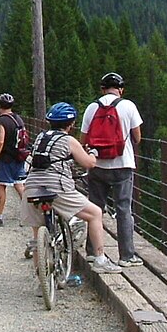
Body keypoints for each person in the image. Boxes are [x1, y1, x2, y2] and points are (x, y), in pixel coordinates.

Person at [19, 102, 123, 273]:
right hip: (57, 187)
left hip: (31, 187)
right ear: (71, 123)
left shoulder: (41, 137)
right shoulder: (68, 140)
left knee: (38, 236)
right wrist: (93, 153)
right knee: (95, 213)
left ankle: (41, 277)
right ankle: (100, 259)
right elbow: (88, 163)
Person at [81, 72, 144, 267]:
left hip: (97, 165)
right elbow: (137, 138)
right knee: (123, 209)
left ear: (102, 89)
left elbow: (83, 139)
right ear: (121, 89)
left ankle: (92, 252)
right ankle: (126, 256)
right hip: (122, 164)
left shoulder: (92, 108)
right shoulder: (128, 106)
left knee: (95, 208)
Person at [0, 92, 26, 227]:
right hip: (19, 157)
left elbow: (1, 141)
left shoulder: (1, 121)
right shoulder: (18, 119)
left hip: (6, 158)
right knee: (20, 186)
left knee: (1, 186)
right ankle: (28, 216)